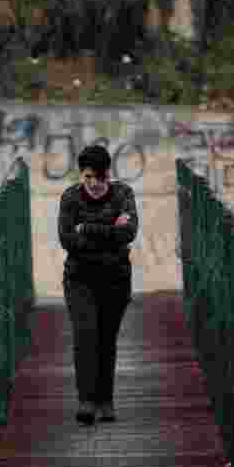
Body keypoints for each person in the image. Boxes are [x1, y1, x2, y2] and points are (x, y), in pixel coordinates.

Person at [57, 144, 139, 425]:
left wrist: (88, 229)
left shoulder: (123, 194)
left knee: (106, 339)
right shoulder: (70, 198)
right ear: (81, 175)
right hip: (79, 278)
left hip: (115, 279)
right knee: (85, 335)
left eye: (99, 177)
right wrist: (109, 233)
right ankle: (86, 401)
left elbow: (128, 232)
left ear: (108, 174)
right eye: (87, 177)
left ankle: (106, 400)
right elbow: (67, 240)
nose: (93, 183)